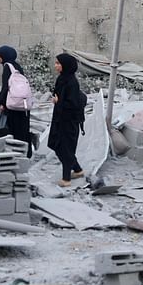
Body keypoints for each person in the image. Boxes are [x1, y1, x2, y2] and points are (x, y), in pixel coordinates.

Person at [49, 53, 85, 187]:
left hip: (69, 121)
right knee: (56, 144)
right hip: (59, 118)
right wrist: (57, 101)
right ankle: (78, 170)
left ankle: (66, 179)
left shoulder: (71, 82)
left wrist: (59, 102)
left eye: (58, 63)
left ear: (66, 65)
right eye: (56, 63)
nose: (56, 66)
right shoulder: (62, 79)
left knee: (65, 148)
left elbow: (73, 105)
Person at [0, 45, 33, 158]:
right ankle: (27, 152)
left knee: (13, 129)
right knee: (23, 127)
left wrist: (1, 103)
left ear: (3, 56)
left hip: (13, 104)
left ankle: (15, 153)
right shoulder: (17, 66)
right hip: (22, 103)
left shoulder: (7, 67)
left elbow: (6, 87)